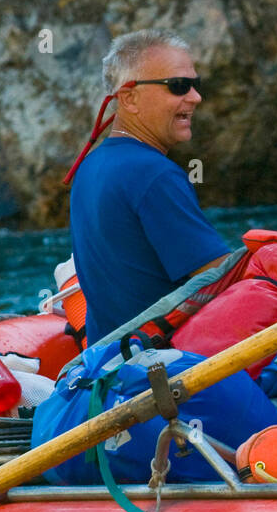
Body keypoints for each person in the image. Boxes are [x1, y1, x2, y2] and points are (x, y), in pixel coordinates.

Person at [66, 30, 230, 346]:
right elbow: (223, 282)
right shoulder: (154, 175)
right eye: (179, 86)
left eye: (195, 85)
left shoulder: (89, 167)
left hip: (109, 363)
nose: (195, 97)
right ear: (130, 98)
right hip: (162, 365)